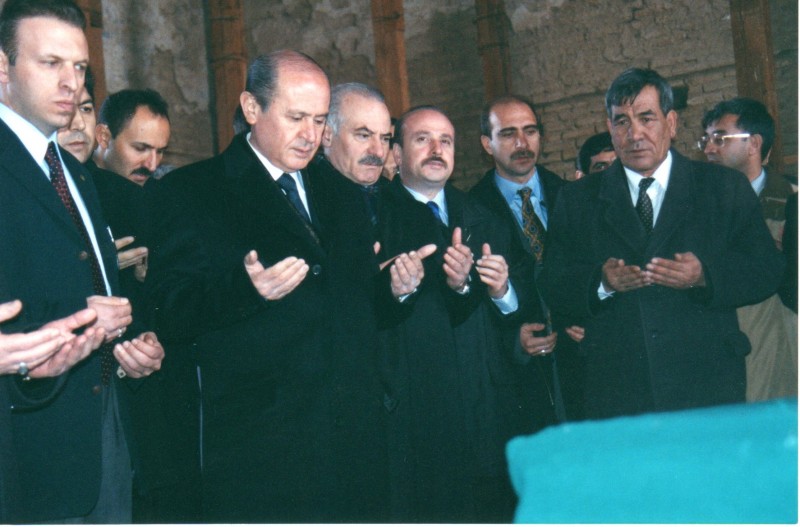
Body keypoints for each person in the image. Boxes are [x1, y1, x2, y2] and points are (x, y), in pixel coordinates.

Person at [145, 49, 361, 522]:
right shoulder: (192, 191)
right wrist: (246, 290)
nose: (310, 135)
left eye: (319, 120)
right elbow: (168, 309)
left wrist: (397, 288)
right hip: (256, 451)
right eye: (296, 118)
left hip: (344, 443)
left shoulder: (343, 194)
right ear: (251, 108)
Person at [540, 68, 784, 420]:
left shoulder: (722, 187)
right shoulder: (577, 200)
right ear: (609, 127)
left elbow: (767, 270)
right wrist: (601, 283)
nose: (634, 134)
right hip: (618, 390)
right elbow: (552, 281)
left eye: (646, 118)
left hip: (707, 383)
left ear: (671, 123)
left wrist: (705, 276)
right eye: (621, 121)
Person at [0, 0, 162, 522]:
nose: (71, 82)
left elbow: (97, 284)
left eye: (80, 67)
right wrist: (85, 318)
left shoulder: (74, 172)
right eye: (51, 63)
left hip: (105, 420)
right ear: (3, 67)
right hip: (29, 439)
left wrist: (131, 343)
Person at [379, 105, 534, 522]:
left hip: (485, 404)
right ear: (396, 153)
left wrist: (502, 291)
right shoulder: (377, 216)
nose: (437, 149)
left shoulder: (483, 215)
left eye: (445, 141)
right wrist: (398, 289)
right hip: (417, 406)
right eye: (422, 139)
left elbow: (518, 307)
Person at [57, 74, 200, 522]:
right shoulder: (78, 190)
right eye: (140, 148)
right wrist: (100, 268)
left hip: (145, 382)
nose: (151, 163)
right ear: (107, 137)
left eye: (160, 152)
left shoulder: (156, 197)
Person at [471, 94, 579, 421]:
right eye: (508, 134)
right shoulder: (470, 211)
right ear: (487, 144)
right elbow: (471, 305)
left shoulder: (571, 197)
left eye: (530, 131)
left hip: (580, 367)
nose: (522, 143)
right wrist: (511, 341)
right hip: (519, 382)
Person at [700, 97, 797, 401]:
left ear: (754, 143)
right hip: (728, 348)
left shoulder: (791, 200)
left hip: (785, 345)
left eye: (720, 138)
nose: (709, 148)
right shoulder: (699, 206)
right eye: (706, 139)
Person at [93, 88, 170, 186]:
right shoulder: (75, 188)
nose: (152, 166)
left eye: (159, 151)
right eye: (140, 148)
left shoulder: (156, 189)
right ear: (104, 136)